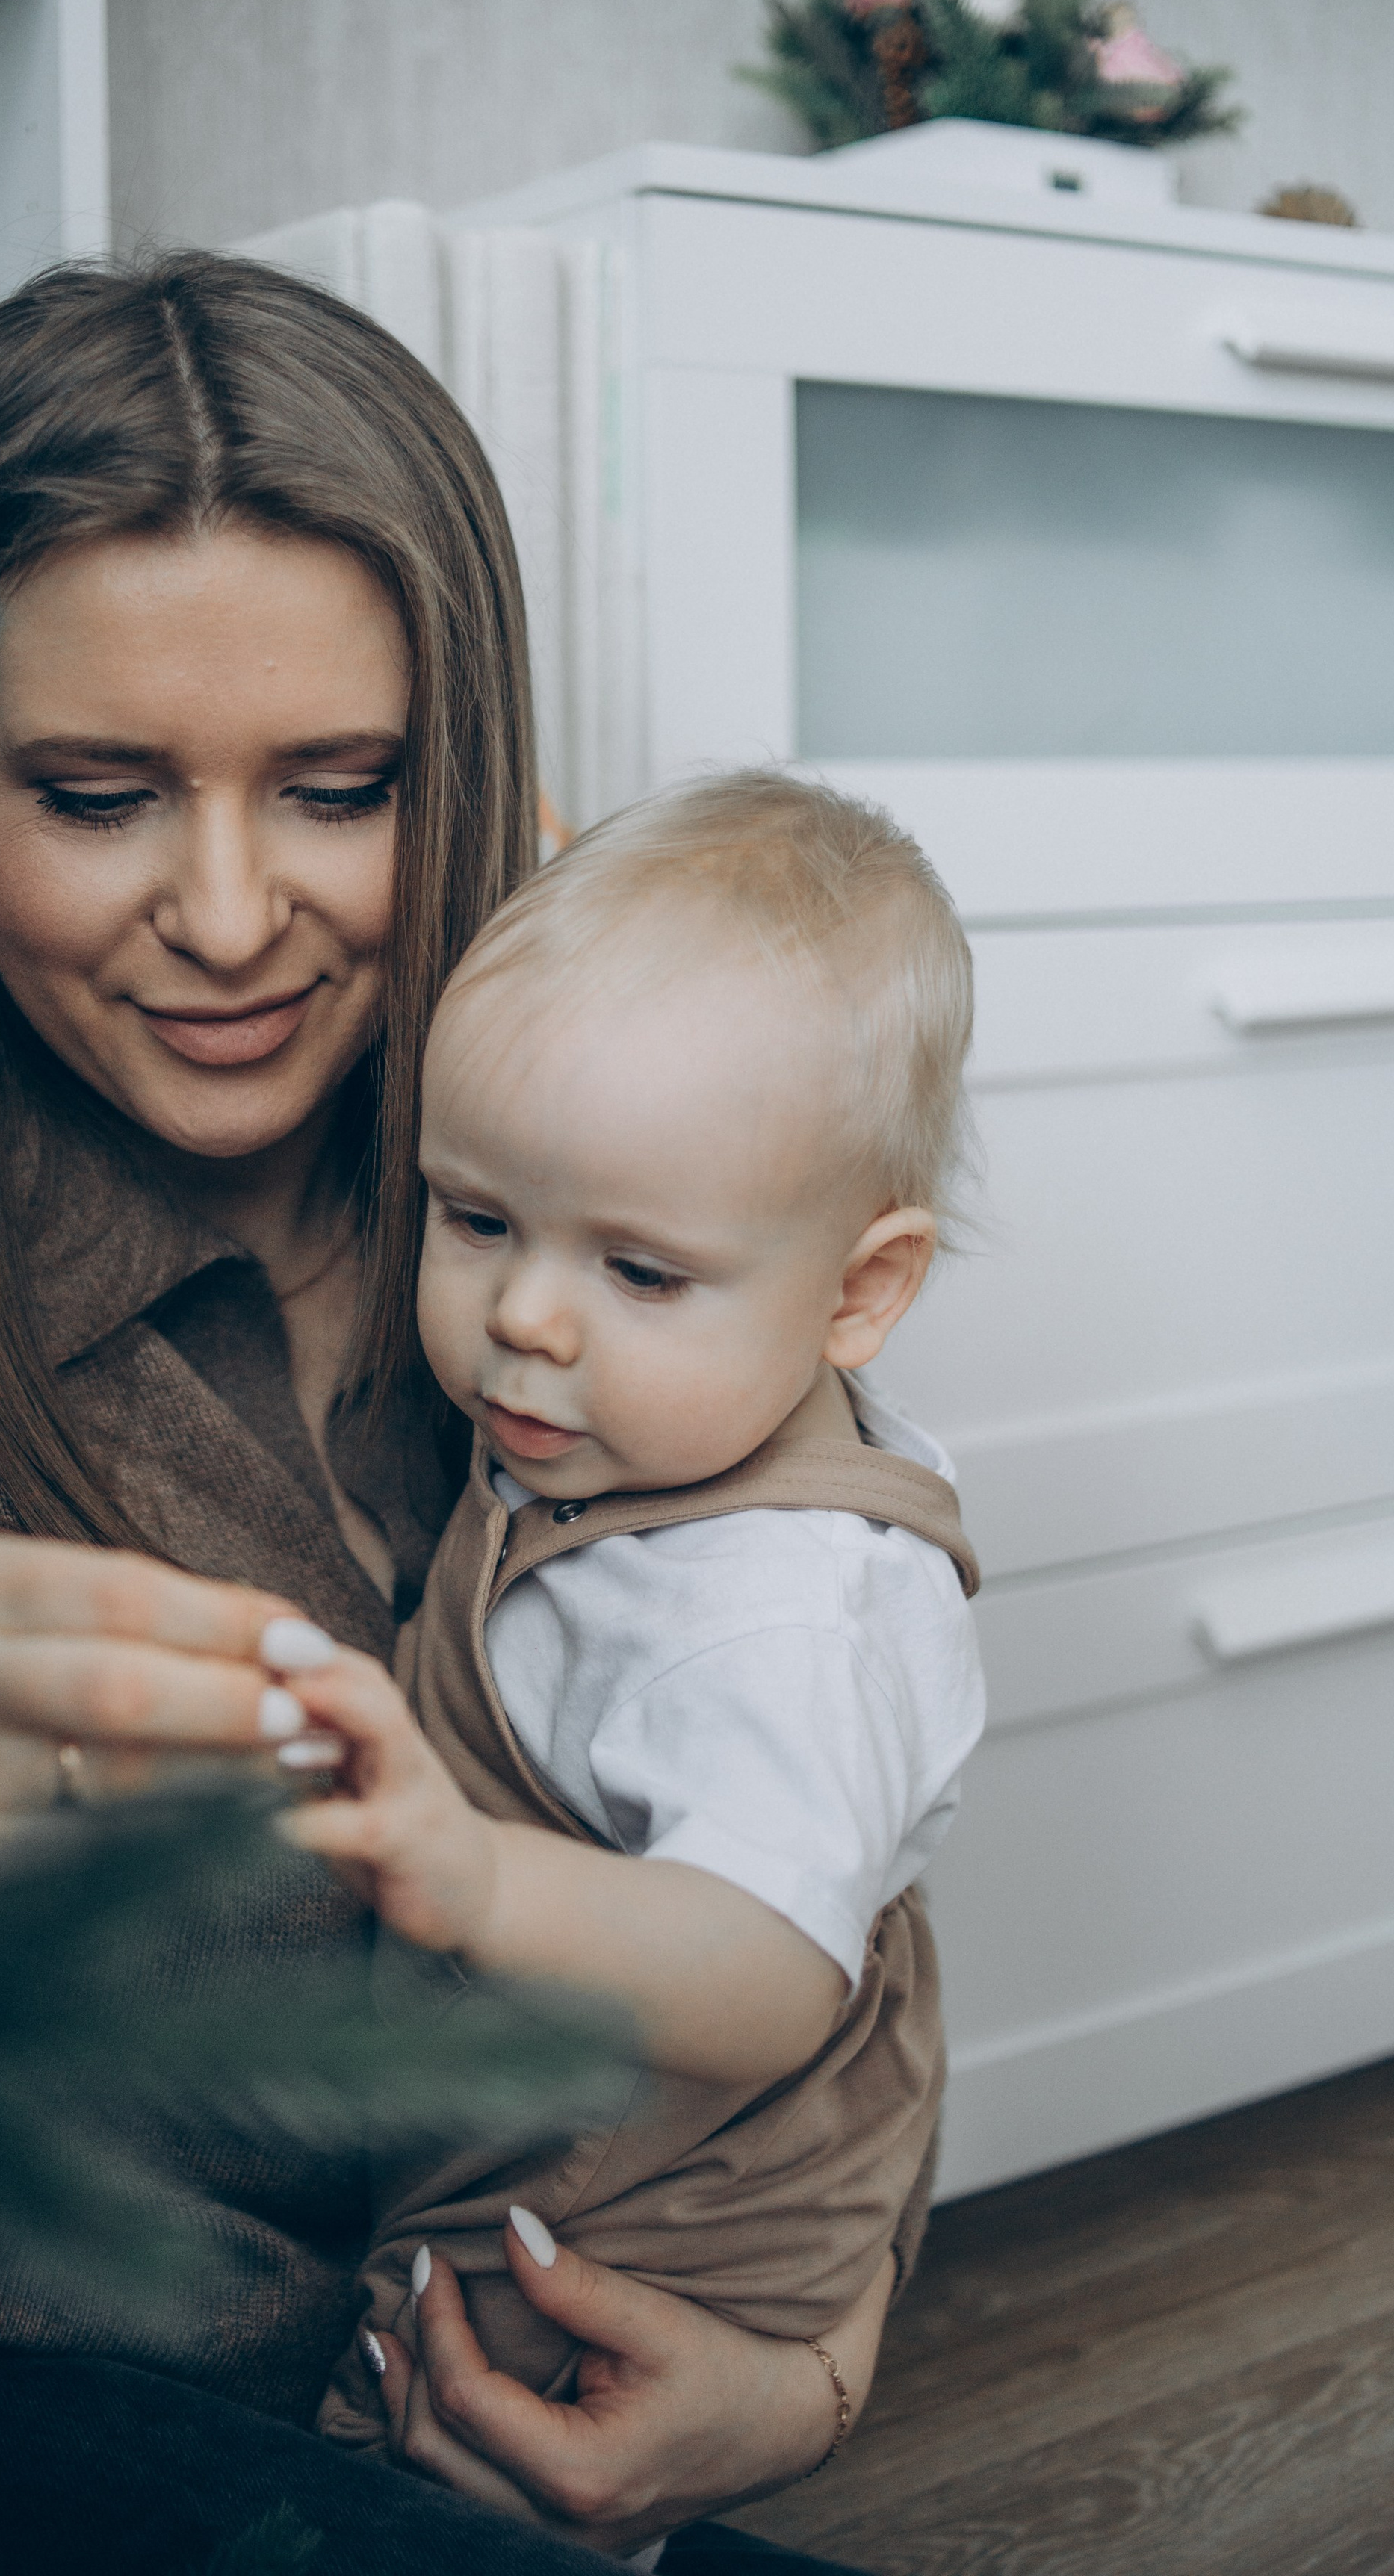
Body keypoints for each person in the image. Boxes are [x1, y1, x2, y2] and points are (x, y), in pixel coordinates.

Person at [0, 257, 893, 2573]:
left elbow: (825, 1850)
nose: (226, 915)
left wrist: (805, 2362)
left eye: (344, 789)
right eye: (96, 795)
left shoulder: (618, 1214)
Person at [247, 775, 982, 2492]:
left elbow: (764, 1972)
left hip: (643, 2214)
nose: (521, 1315)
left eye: (639, 1272)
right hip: (535, 2108)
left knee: (413, 2449)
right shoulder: (661, 1413)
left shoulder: (774, 1620)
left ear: (858, 1295)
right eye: (476, 1216)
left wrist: (478, 1879)